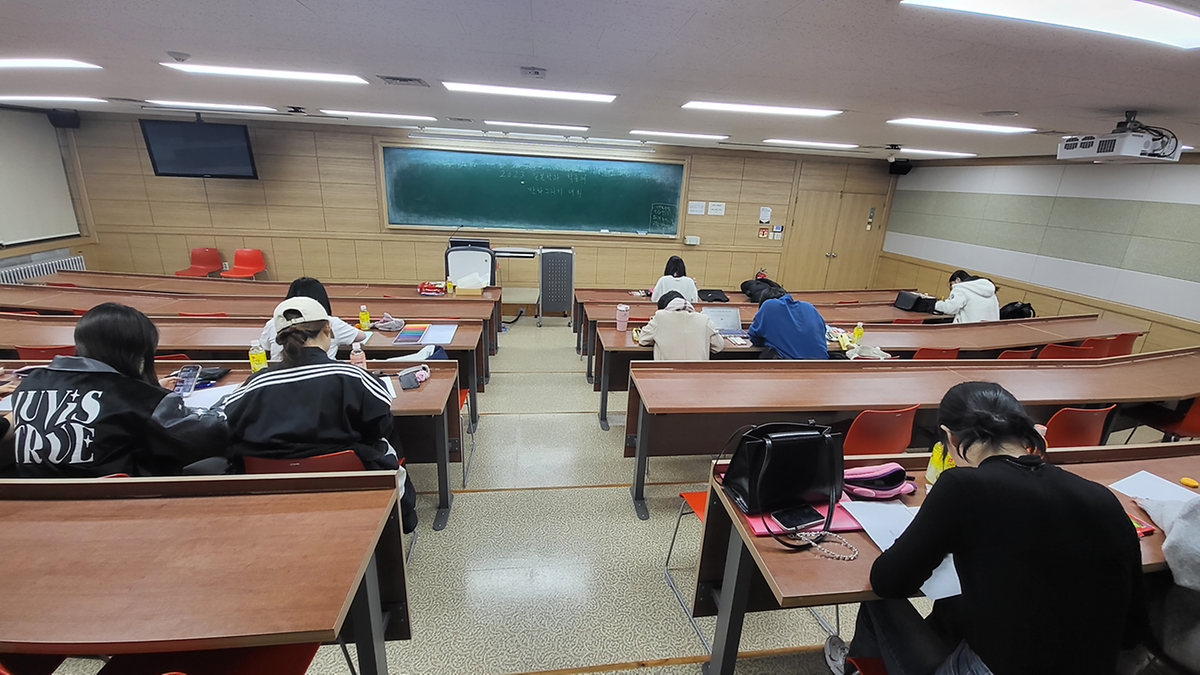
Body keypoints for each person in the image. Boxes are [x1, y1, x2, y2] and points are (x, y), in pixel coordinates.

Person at [826, 381, 1145, 675]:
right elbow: (1131, 632)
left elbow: (888, 581)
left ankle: (856, 669)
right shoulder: (1102, 497)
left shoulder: (963, 486)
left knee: (877, 601)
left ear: (950, 437)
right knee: (954, 605)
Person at [0, 303, 228, 478]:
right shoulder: (137, 396)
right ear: (138, 353)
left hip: (36, 501)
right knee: (218, 463)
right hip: (116, 502)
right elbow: (209, 435)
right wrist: (231, 399)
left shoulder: (31, 382)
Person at [223, 297, 402, 472]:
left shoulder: (255, 384)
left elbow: (228, 424)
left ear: (280, 338)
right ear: (327, 327)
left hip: (271, 483)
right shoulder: (353, 377)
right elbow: (381, 425)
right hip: (350, 478)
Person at [259, 277, 367, 360]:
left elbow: (265, 347)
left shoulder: (273, 323)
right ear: (326, 328)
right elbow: (361, 336)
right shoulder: (331, 321)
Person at [636, 290, 723, 361]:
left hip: (667, 374)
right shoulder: (704, 319)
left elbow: (643, 339)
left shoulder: (660, 317)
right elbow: (718, 346)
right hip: (698, 375)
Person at [747, 294, 829, 359]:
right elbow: (822, 331)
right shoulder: (809, 306)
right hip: (823, 365)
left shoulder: (768, 306)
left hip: (791, 366)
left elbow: (754, 338)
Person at [935, 270, 1000, 324]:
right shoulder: (991, 292)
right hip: (990, 330)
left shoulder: (961, 288)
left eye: (952, 285)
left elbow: (949, 308)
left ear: (957, 280)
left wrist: (935, 304)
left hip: (967, 330)